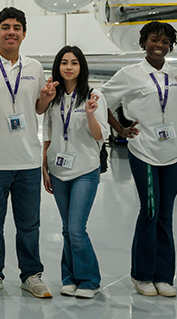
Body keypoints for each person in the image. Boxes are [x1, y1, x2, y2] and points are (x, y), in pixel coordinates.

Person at [100, 21, 177, 298]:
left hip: (173, 154)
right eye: (155, 40)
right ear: (144, 42)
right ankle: (142, 275)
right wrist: (119, 129)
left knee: (166, 215)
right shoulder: (129, 74)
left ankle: (164, 277)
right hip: (144, 152)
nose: (160, 45)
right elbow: (100, 98)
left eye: (166, 41)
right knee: (150, 211)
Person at [0, 7, 55, 299]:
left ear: (24, 33)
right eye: (5, 27)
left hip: (27, 159)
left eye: (17, 27)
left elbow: (38, 109)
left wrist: (43, 98)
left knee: (29, 224)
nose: (11, 32)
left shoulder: (34, 67)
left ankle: (31, 275)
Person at [42, 46, 107, 299]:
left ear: (82, 67)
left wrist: (90, 115)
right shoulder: (53, 96)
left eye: (75, 63)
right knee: (67, 229)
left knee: (77, 228)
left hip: (84, 170)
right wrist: (44, 166)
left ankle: (90, 280)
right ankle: (69, 278)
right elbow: (48, 133)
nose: (69, 67)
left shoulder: (93, 95)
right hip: (58, 170)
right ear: (58, 67)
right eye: (64, 62)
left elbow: (100, 135)